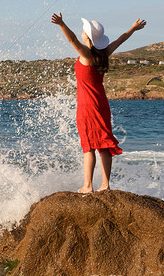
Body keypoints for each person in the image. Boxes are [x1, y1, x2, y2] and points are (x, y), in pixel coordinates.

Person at [51, 12, 146, 193]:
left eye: (83, 30)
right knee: (104, 144)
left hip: (87, 106)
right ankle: (105, 185)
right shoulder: (104, 53)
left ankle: (88, 186)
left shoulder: (86, 54)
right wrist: (133, 28)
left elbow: (72, 40)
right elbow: (121, 39)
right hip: (101, 104)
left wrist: (62, 24)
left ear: (87, 35)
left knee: (88, 146)